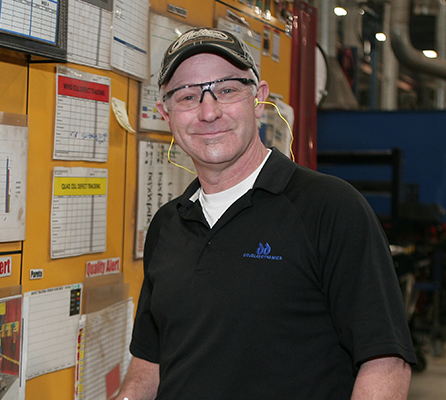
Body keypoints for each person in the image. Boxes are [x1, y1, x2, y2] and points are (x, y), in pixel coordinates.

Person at [115, 28, 416, 400]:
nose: (209, 112)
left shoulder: (330, 207)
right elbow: (149, 362)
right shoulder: (167, 224)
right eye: (188, 96)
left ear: (258, 99)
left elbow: (386, 363)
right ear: (166, 113)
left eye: (226, 90)